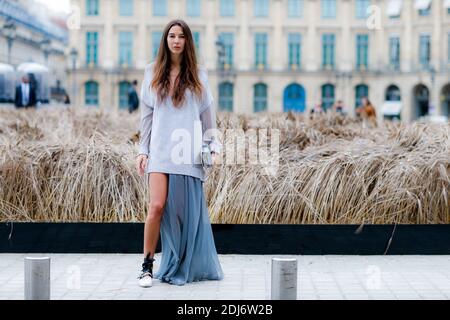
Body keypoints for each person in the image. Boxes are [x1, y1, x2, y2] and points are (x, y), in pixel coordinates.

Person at [135, 19, 224, 287]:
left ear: (187, 41)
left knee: (183, 215)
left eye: (181, 36)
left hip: (188, 151)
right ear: (165, 40)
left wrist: (214, 146)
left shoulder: (199, 75)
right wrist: (143, 150)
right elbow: (147, 117)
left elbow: (207, 117)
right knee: (157, 206)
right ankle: (147, 266)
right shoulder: (152, 72)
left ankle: (179, 263)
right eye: (172, 35)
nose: (176, 40)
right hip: (160, 151)